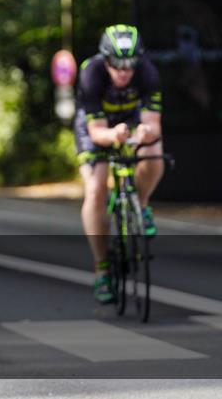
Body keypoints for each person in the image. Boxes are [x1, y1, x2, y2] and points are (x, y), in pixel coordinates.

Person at [74, 24, 164, 304]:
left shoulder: (148, 72)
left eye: (130, 63)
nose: (124, 70)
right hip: (97, 127)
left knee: (154, 151)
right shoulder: (91, 73)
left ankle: (142, 204)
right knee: (96, 189)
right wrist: (114, 136)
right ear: (105, 59)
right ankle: (102, 268)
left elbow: (154, 125)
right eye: (116, 63)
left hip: (131, 118)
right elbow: (96, 132)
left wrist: (145, 134)